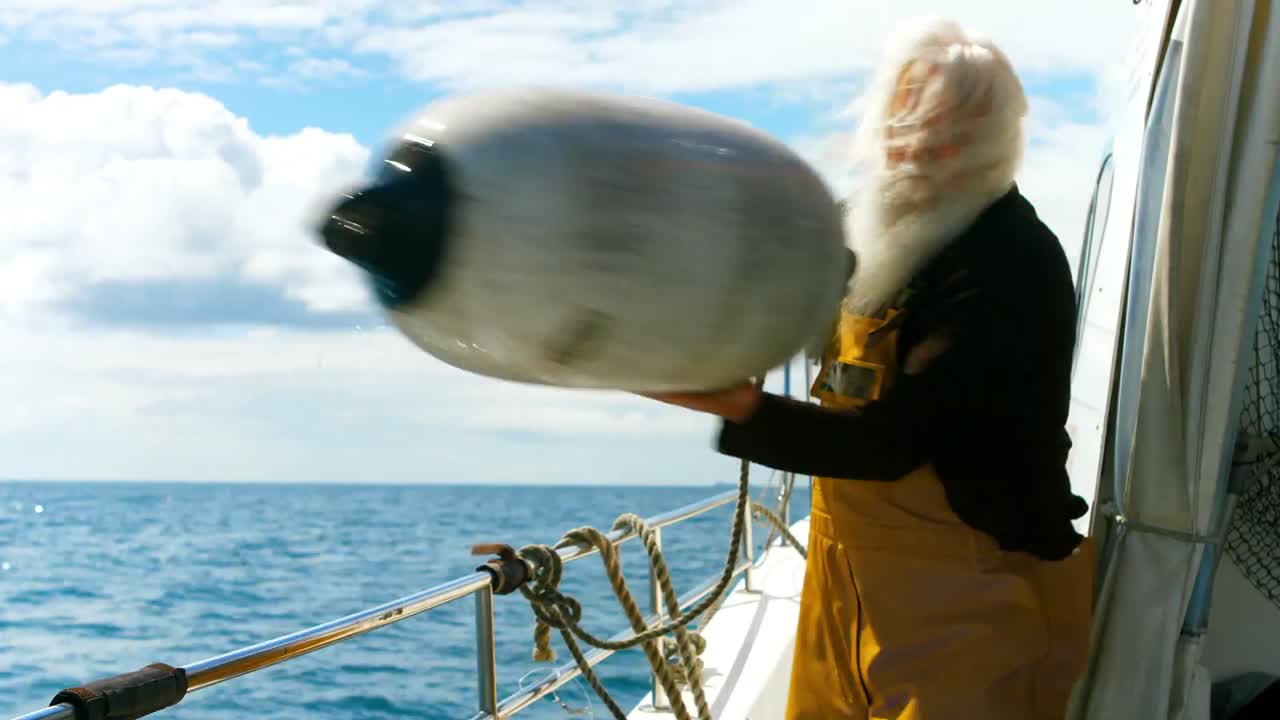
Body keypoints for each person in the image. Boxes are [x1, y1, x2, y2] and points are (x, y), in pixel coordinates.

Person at [642, 18, 1096, 720]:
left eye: (946, 127)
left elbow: (890, 444)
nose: (915, 143)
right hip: (845, 575)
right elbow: (775, 297)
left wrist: (735, 405)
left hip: (967, 594)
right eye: (903, 117)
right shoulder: (867, 225)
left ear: (991, 140)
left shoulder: (1008, 261)